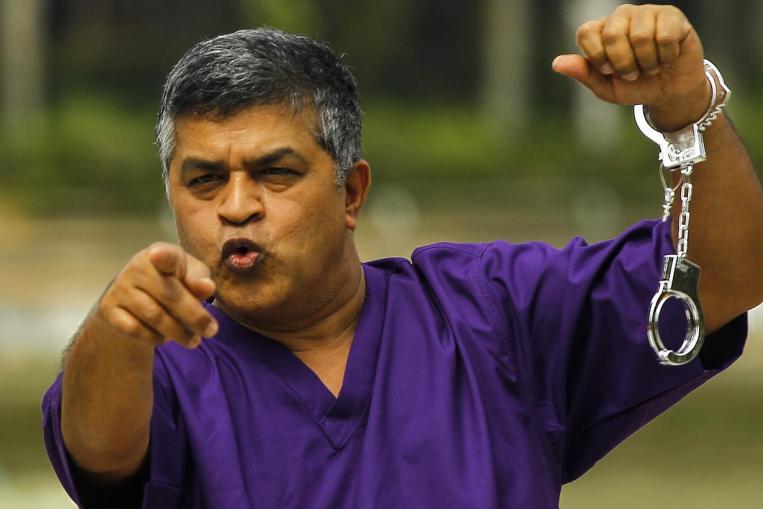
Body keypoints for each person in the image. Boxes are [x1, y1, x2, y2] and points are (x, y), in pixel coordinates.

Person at [43, 4, 762, 508]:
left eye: (274, 172)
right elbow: (99, 455)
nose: (235, 205)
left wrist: (684, 109)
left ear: (351, 192)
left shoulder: (493, 313)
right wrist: (116, 326)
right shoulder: (158, 363)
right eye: (204, 180)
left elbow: (730, 276)